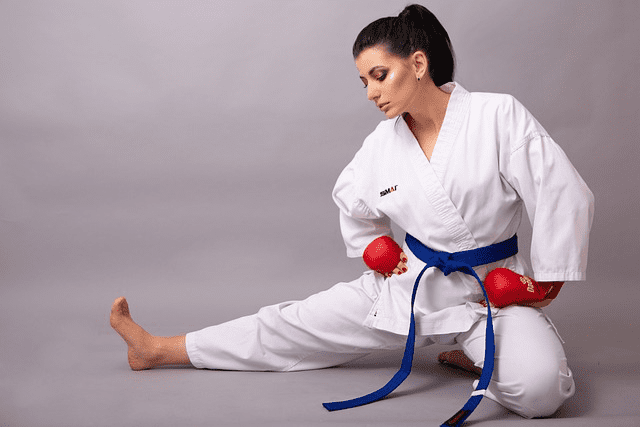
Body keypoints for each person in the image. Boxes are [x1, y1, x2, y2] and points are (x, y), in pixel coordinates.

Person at [110, 3, 594, 421]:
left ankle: (473, 353)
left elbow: (561, 189)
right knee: (295, 323)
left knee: (542, 391)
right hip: (413, 283)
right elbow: (352, 199)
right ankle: (157, 349)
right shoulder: (382, 144)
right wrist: (376, 248)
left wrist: (543, 282)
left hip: (492, 292)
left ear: (419, 63)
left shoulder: (497, 116)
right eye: (363, 81)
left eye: (379, 75)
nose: (370, 92)